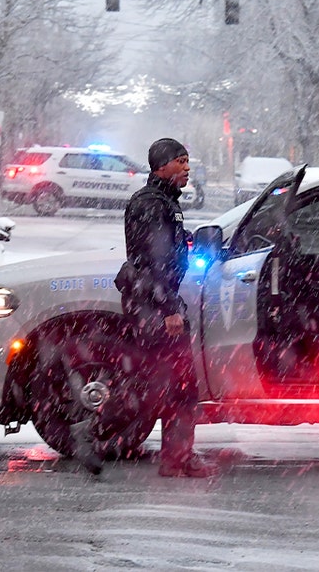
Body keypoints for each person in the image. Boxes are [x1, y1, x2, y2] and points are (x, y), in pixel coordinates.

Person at [72, 138, 218, 478]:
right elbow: (152, 262)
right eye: (181, 161)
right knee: (157, 385)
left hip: (154, 299)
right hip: (152, 303)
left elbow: (166, 251)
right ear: (161, 166)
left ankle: (176, 459)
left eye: (187, 161)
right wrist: (168, 308)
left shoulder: (163, 202)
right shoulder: (151, 204)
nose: (187, 168)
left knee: (175, 385)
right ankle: (91, 431)